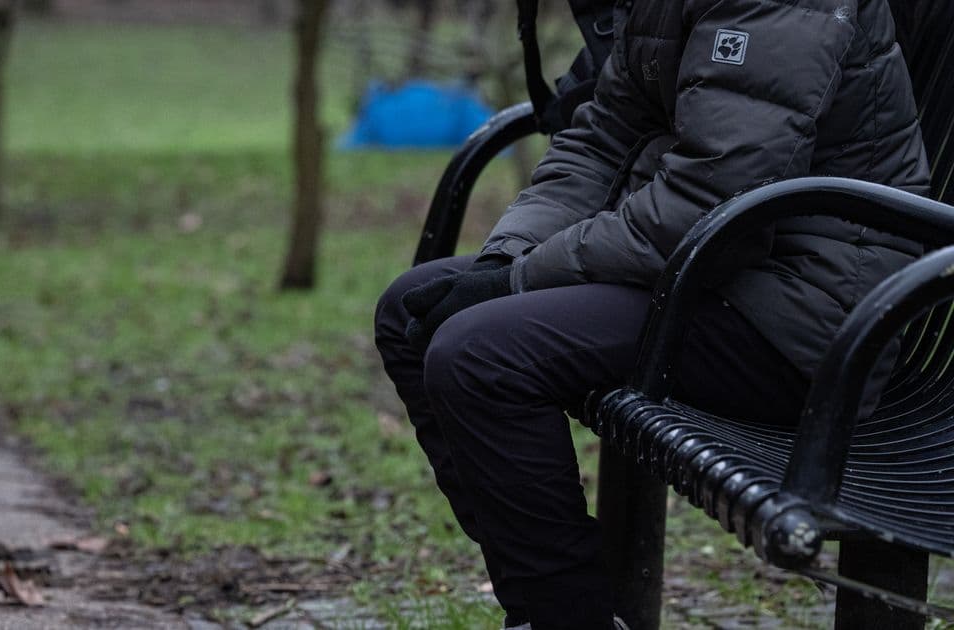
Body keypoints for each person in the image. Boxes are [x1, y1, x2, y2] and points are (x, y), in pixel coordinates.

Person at [373, 0, 930, 628]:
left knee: (479, 355)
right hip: (723, 273)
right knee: (410, 312)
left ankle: (565, 615)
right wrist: (501, 260)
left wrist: (520, 279)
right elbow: (601, 137)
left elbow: (713, 195)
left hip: (813, 319)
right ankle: (552, 602)